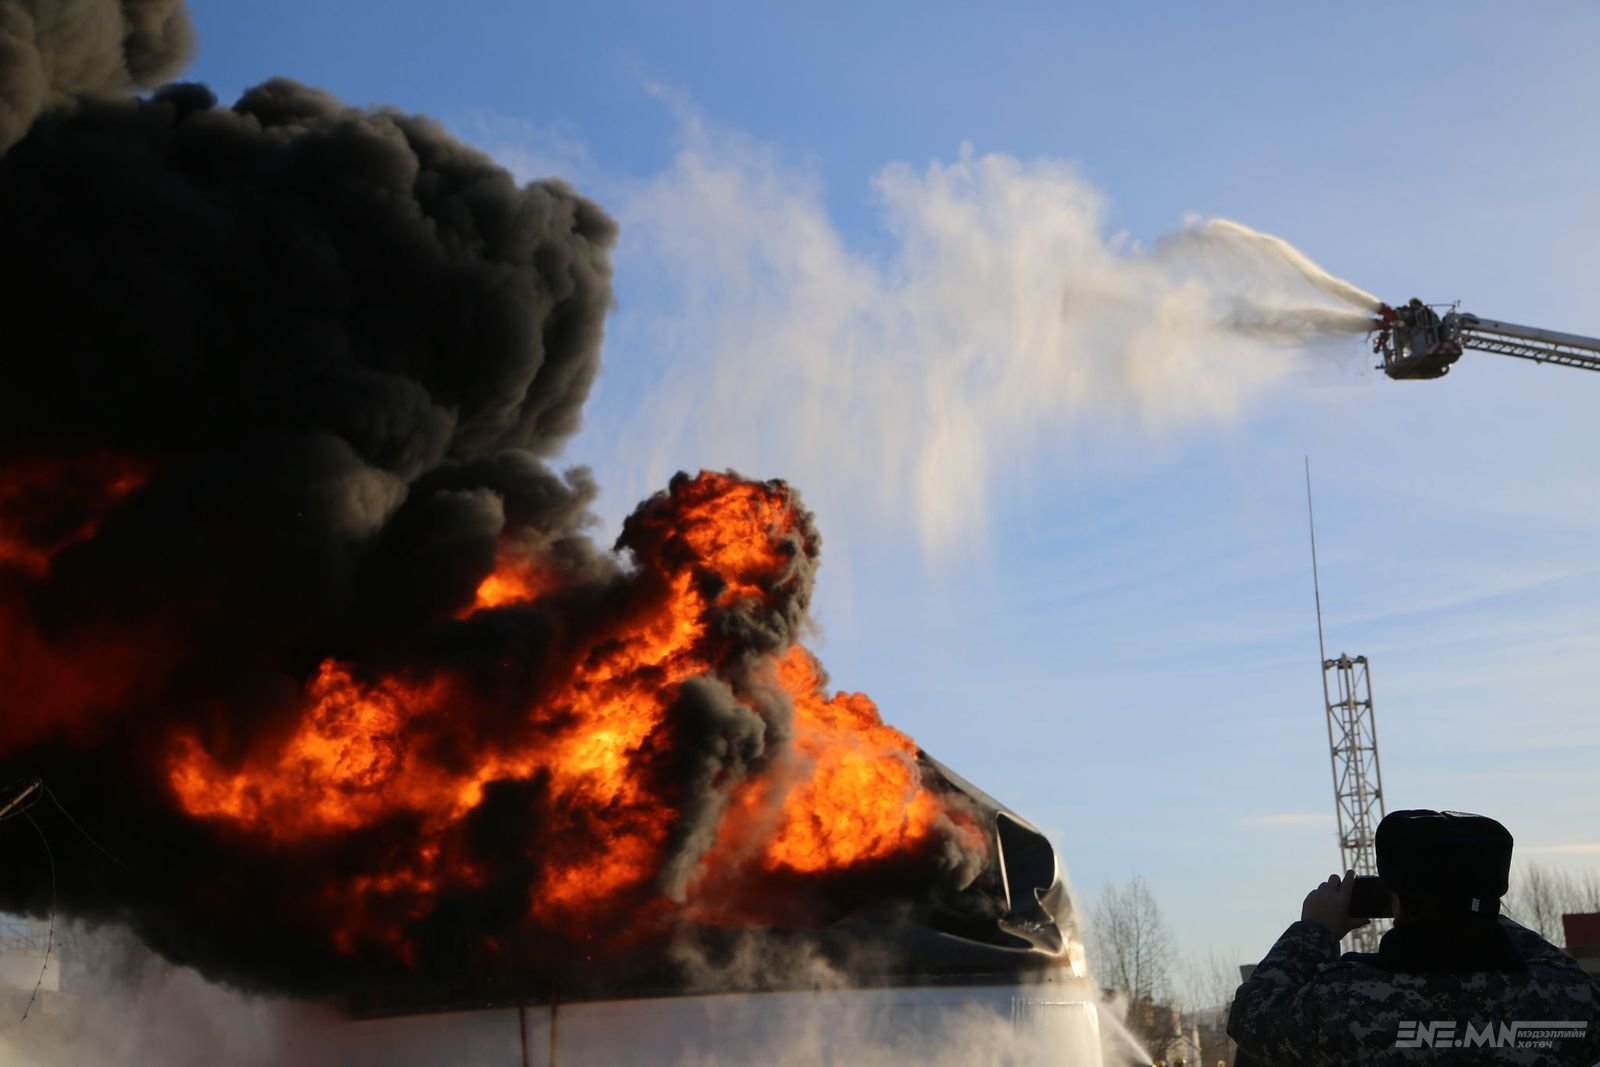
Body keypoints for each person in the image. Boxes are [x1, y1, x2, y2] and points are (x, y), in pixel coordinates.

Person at [1227, 810, 1600, 1065]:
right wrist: (1479, 914)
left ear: (1397, 902)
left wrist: (1314, 931)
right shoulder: (1564, 1002)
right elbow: (1566, 975)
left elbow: (1251, 1017)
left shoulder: (1343, 1003)